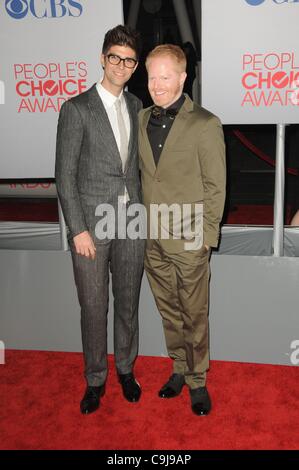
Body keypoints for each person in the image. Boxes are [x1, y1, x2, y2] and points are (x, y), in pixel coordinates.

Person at [55, 25, 144, 415]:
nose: (121, 65)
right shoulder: (76, 108)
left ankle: (125, 369)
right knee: (94, 308)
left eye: (128, 60)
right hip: (91, 226)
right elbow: (65, 175)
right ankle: (95, 379)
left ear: (135, 65)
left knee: (127, 302)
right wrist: (78, 229)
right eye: (114, 58)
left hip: (132, 222)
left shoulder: (138, 106)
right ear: (102, 58)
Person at [138, 44, 226, 415]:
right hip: (151, 238)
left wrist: (207, 237)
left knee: (194, 313)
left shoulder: (205, 123)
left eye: (165, 76)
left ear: (182, 77)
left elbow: (215, 186)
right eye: (152, 76)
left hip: (190, 238)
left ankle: (198, 380)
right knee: (169, 310)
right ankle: (178, 367)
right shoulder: (141, 118)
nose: (157, 84)